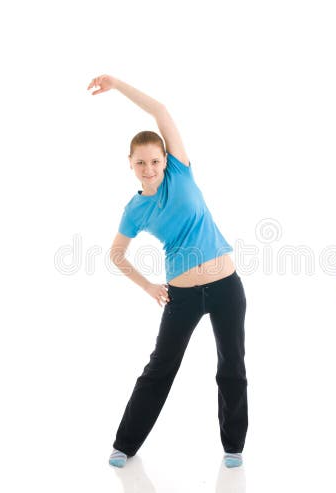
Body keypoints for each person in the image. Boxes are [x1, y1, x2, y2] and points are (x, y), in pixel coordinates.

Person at [87, 75, 248, 469]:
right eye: (140, 162)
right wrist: (148, 287)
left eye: (154, 160)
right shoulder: (135, 209)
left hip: (226, 286)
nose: (149, 168)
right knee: (159, 368)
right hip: (182, 295)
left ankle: (233, 448)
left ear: (166, 159)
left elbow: (160, 111)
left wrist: (117, 85)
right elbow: (117, 253)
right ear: (130, 164)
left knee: (232, 365)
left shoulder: (181, 171)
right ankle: (124, 446)